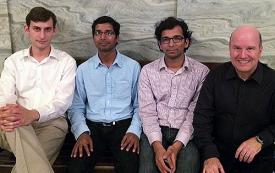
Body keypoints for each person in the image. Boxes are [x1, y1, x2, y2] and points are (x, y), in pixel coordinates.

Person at [0, 6, 76, 173]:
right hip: (15, 124)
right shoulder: (13, 61)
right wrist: (19, 115)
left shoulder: (66, 62)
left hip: (51, 125)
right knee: (15, 120)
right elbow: (5, 97)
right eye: (37, 29)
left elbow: (62, 102)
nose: (42, 35)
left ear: (54, 30)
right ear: (27, 29)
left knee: (29, 163)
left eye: (47, 29)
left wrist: (33, 114)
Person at [193, 25, 275, 173]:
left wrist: (261, 140)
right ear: (229, 49)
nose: (243, 55)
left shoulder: (273, 81)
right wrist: (209, 155)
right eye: (237, 48)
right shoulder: (214, 77)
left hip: (259, 159)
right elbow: (201, 119)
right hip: (217, 157)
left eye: (250, 49)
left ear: (260, 51)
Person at [67, 16, 141, 173]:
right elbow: (76, 106)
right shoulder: (83, 70)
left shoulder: (133, 67)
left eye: (108, 33)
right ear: (93, 37)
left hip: (124, 127)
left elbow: (140, 105)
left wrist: (134, 131)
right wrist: (81, 132)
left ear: (117, 38)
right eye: (98, 33)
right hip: (92, 128)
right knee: (76, 168)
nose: (103, 37)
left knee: (130, 167)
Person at [138, 17, 209, 173]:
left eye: (177, 38)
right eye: (166, 40)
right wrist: (157, 147)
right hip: (155, 131)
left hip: (187, 134)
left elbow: (195, 113)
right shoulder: (148, 72)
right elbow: (147, 113)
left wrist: (176, 147)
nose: (171, 44)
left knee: (188, 166)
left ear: (186, 42)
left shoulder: (201, 72)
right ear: (159, 44)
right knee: (148, 169)